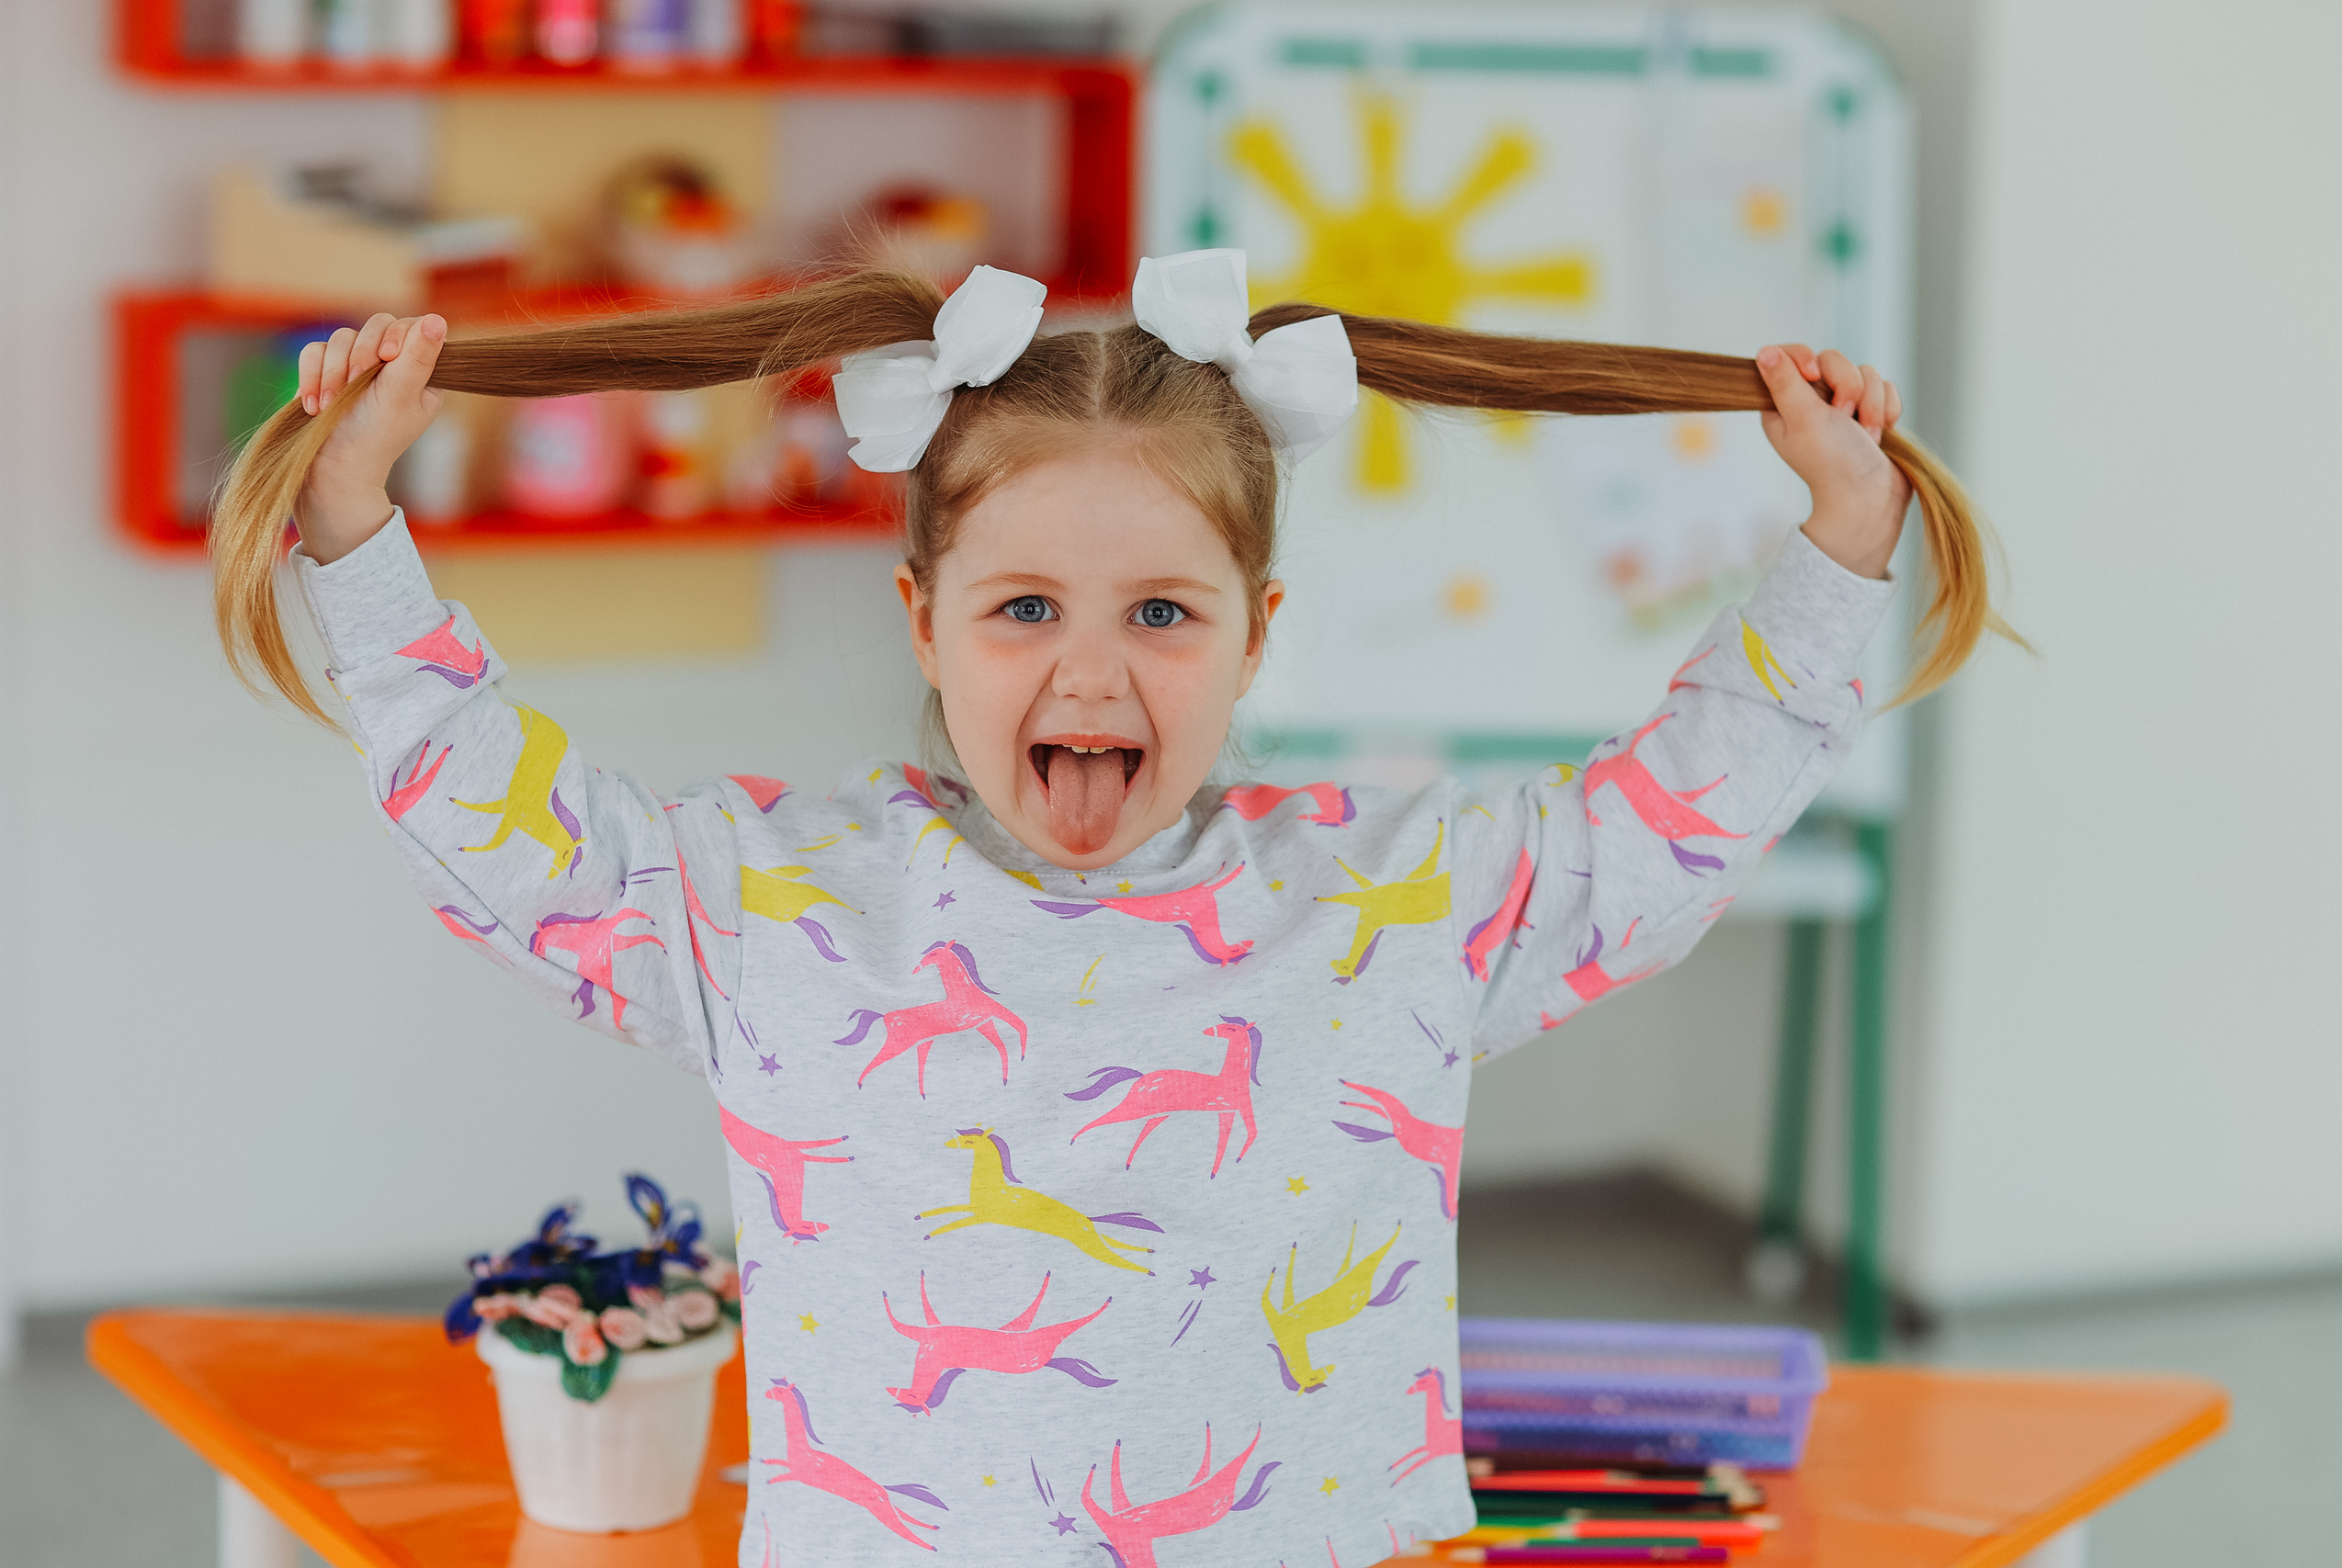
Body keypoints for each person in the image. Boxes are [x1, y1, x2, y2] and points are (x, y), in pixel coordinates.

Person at [209, 252, 2009, 1566]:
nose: (1088, 669)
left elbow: (1661, 829)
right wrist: (356, 525)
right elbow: (508, 832)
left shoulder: (1390, 896)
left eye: (1160, 611)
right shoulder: (769, 902)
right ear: (920, 620)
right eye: (1020, 611)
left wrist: (1836, 550)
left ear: (1254, 633)